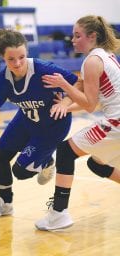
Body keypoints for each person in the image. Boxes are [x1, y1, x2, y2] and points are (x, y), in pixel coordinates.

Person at [0, 28, 78, 219]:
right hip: (27, 120)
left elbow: (79, 83)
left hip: (53, 126)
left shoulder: (44, 69)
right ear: (3, 58)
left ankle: (47, 160)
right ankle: (5, 204)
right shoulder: (2, 81)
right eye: (11, 59)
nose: (17, 63)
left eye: (21, 57)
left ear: (27, 52)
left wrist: (66, 102)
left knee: (20, 171)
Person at [35, 15, 120, 231]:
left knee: (65, 151)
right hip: (116, 121)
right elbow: (88, 96)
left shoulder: (92, 61)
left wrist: (64, 84)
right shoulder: (106, 56)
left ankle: (58, 214)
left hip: (116, 124)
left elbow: (90, 105)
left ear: (92, 36)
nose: (73, 40)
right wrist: (66, 105)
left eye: (77, 35)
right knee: (96, 164)